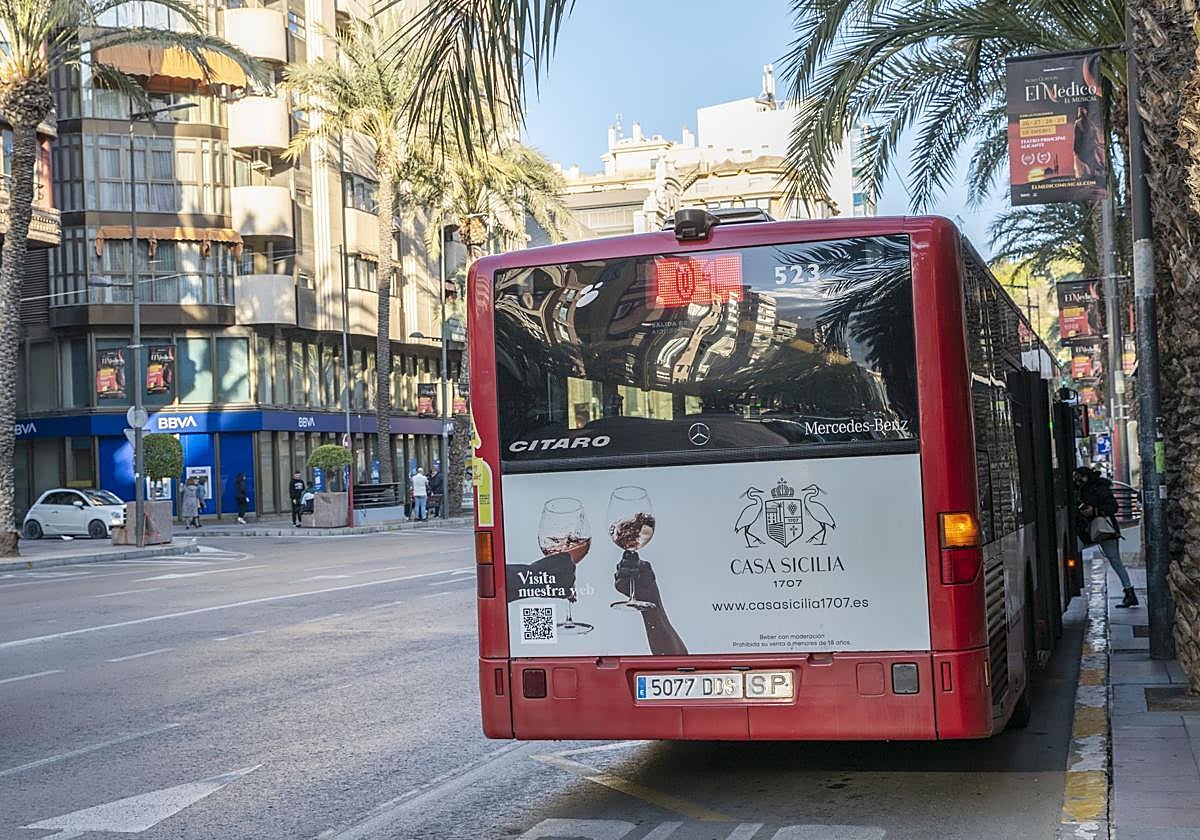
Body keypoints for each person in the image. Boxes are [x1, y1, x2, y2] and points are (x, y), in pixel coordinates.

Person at [1074, 466, 1137, 607]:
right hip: (1088, 531)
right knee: (1114, 561)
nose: (1078, 480)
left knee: (1115, 561)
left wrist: (1094, 511)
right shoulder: (1080, 489)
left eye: (1080, 477)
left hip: (1103, 530)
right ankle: (1129, 592)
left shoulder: (1099, 488)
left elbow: (1113, 507)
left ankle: (1129, 592)